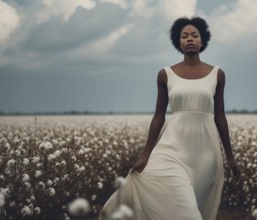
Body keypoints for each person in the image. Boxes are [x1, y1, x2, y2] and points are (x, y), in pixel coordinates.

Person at [99, 16, 240, 220]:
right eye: (184, 36)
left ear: (203, 40)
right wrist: (145, 156)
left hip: (205, 155)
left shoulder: (217, 74)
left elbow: (220, 117)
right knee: (188, 212)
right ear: (178, 41)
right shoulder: (165, 74)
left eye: (194, 35)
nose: (189, 39)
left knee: (194, 208)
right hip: (171, 150)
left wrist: (230, 156)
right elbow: (158, 117)